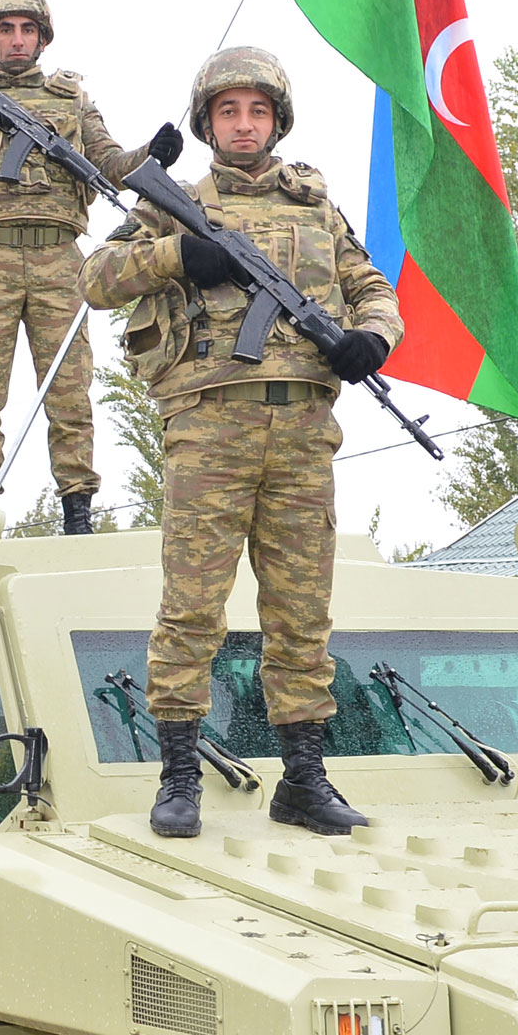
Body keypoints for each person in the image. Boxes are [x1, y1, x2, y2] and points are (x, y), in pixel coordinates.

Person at [80, 47, 398, 840]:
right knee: (192, 607)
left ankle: (304, 779)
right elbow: (96, 276)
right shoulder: (176, 204)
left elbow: (371, 286)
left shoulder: (318, 209)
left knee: (302, 612)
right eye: (229, 112)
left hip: (303, 431)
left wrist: (372, 338)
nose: (245, 125)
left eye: (258, 111)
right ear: (208, 123)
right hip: (210, 424)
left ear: (277, 121)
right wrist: (178, 254)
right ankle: (180, 775)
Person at [0, 0, 176, 532]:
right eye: (6, 30)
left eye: (28, 30)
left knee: (70, 389)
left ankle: (78, 509)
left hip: (59, 259)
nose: (17, 40)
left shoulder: (71, 99)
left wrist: (153, 154)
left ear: (43, 39)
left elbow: (108, 163)